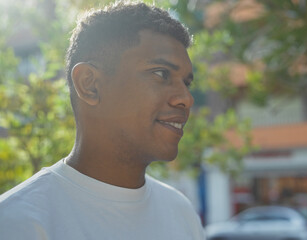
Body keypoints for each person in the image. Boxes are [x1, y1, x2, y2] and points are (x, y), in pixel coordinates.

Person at [0, 2, 205, 239]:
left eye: (186, 83)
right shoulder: (18, 223)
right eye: (161, 73)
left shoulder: (180, 212)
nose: (186, 99)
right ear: (90, 84)